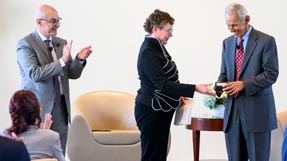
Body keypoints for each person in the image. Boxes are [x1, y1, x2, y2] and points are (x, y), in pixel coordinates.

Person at [135, 9, 216, 161]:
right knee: (152, 157)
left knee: (159, 156)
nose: (171, 34)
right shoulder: (148, 51)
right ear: (155, 29)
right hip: (150, 111)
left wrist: (178, 96)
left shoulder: (157, 47)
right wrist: (196, 88)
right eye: (168, 30)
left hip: (160, 111)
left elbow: (168, 79)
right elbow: (163, 84)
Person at [16, 4, 93, 154]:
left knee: (58, 153)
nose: (57, 25)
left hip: (61, 109)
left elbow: (72, 73)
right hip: (37, 110)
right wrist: (62, 61)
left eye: (58, 20)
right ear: (39, 22)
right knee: (37, 154)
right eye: (53, 21)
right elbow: (34, 73)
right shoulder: (25, 44)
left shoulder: (61, 42)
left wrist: (79, 59)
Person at [217, 3, 279, 161]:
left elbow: (271, 74)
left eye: (235, 25)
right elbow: (224, 73)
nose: (231, 29)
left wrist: (244, 84)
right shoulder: (227, 43)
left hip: (258, 114)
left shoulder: (266, 41)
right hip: (232, 114)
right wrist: (219, 85)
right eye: (228, 25)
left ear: (247, 19)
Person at [1, 90, 66, 161]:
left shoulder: (4, 138)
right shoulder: (52, 137)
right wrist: (46, 136)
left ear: (11, 113)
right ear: (39, 111)